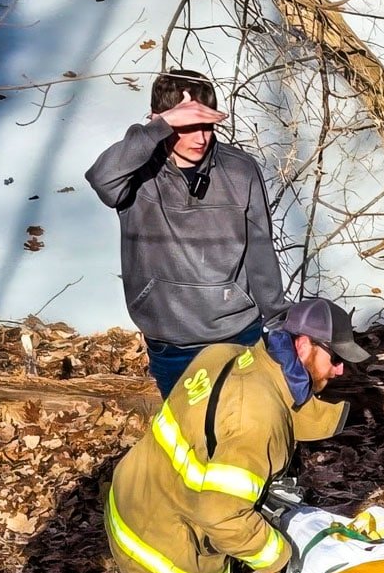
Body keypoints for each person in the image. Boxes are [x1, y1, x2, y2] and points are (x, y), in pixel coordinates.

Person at [53, 297, 369, 573]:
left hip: (136, 493)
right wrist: (276, 556)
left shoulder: (231, 355)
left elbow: (267, 412)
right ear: (303, 345)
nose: (341, 370)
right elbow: (222, 514)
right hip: (160, 544)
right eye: (335, 359)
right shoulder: (258, 417)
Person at [85, 69, 289, 396]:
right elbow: (101, 178)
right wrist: (158, 127)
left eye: (207, 125)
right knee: (187, 440)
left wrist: (279, 324)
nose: (201, 138)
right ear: (161, 121)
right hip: (172, 342)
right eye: (187, 126)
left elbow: (260, 250)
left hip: (237, 333)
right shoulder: (136, 173)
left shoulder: (239, 170)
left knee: (240, 434)